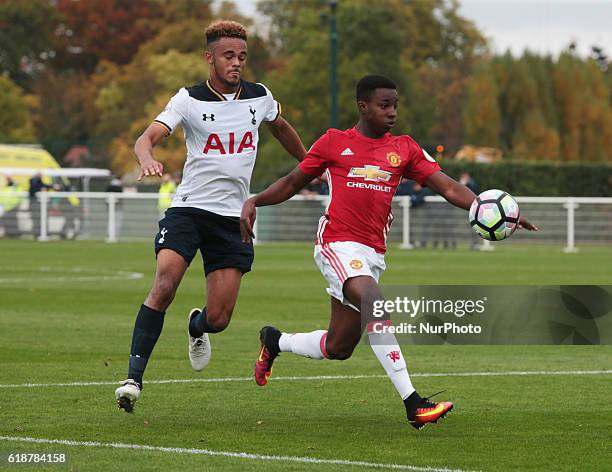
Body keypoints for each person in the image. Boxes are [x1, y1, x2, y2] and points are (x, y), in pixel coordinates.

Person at [240, 75, 538, 430]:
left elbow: (446, 186)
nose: (392, 112)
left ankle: (275, 340)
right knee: (375, 303)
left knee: (339, 346)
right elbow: (292, 182)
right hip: (336, 242)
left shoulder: (405, 148)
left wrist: (490, 210)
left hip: (371, 254)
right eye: (384, 105)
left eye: (395, 105)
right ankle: (414, 403)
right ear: (363, 107)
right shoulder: (334, 143)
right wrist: (256, 200)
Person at [114, 20, 307, 412]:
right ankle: (133, 379)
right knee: (164, 285)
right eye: (228, 56)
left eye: (242, 57)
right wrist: (147, 156)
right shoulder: (188, 99)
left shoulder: (260, 97)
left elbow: (282, 128)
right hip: (188, 209)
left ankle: (196, 326)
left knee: (218, 319)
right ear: (210, 58)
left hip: (232, 219)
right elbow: (146, 136)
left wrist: (311, 164)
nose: (237, 63)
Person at [28, 172, 51, 239]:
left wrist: (50, 186)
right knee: (36, 220)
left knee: (41, 219)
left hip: (38, 205)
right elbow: (36, 189)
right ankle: (37, 234)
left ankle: (42, 233)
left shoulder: (37, 182)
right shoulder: (34, 182)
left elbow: (43, 186)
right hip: (35, 205)